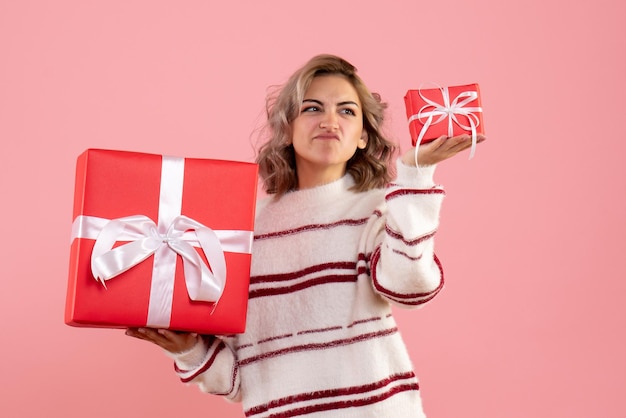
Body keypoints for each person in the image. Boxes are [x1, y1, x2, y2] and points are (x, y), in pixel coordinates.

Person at [126, 54, 485, 417]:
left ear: (363, 137)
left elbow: (411, 288)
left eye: (347, 111)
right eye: (313, 108)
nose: (330, 120)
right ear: (287, 127)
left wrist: (416, 174)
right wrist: (189, 350)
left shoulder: (379, 209)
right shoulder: (243, 230)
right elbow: (238, 381)